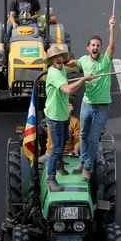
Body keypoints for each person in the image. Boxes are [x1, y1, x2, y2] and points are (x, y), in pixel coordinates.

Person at [64, 16, 115, 181]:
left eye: (98, 46)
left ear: (101, 49)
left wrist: (112, 27)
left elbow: (112, 46)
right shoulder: (84, 61)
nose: (96, 47)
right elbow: (73, 63)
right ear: (88, 48)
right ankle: (83, 160)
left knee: (93, 138)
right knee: (84, 135)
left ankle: (87, 167)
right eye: (93, 45)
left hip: (102, 106)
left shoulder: (105, 61)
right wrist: (58, 64)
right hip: (87, 104)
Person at [44, 45, 92, 192]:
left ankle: (58, 164)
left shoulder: (61, 68)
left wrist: (87, 62)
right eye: (54, 57)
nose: (58, 59)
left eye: (59, 56)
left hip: (63, 114)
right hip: (55, 117)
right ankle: (50, 178)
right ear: (50, 61)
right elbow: (69, 90)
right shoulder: (54, 74)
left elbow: (72, 64)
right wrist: (83, 79)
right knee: (57, 148)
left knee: (64, 137)